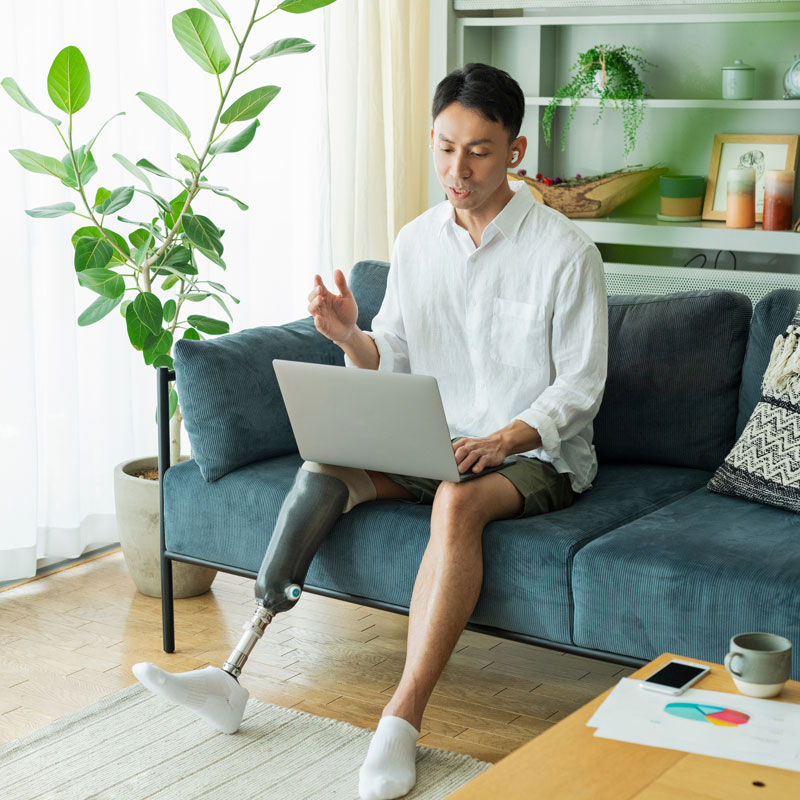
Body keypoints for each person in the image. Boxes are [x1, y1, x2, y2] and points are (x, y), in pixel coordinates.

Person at [133, 63, 607, 800]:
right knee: (323, 468)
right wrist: (351, 336)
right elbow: (398, 358)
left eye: (480, 150)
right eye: (445, 147)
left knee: (457, 503)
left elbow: (578, 386)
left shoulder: (565, 252)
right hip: (436, 438)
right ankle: (231, 675)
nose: (459, 168)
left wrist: (505, 439)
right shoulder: (417, 242)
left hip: (534, 452)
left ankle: (401, 718)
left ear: (515, 152)